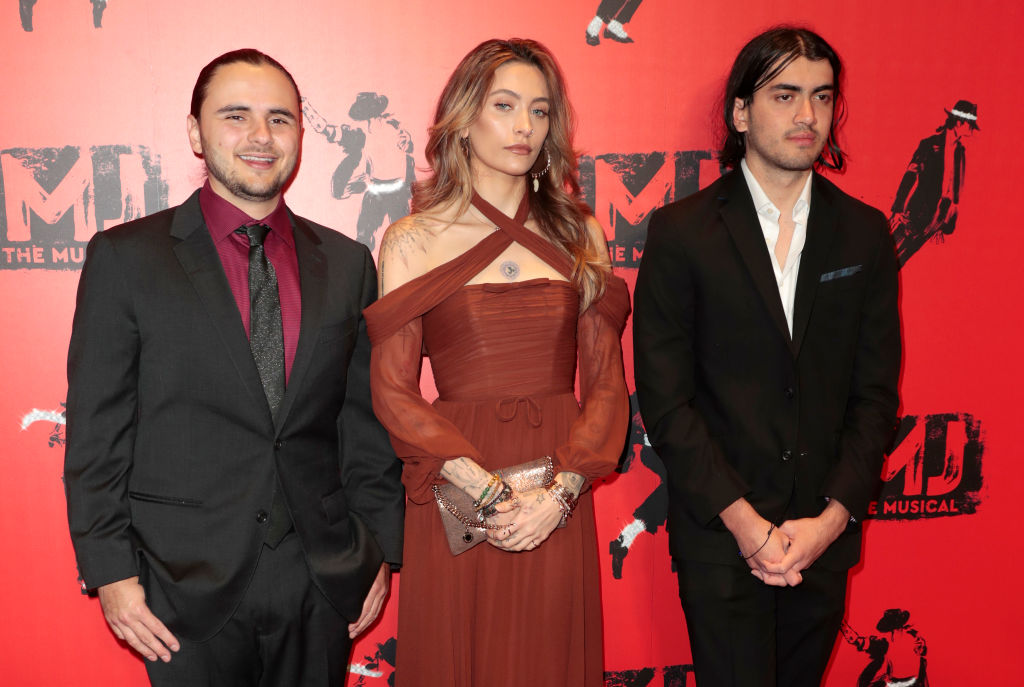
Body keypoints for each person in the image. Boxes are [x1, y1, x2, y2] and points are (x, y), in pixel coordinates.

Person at [64, 49, 404, 686]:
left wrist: (377, 549)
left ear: (301, 134)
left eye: (280, 119)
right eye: (235, 116)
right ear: (195, 131)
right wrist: (111, 571)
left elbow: (366, 427)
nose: (259, 137)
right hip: (178, 585)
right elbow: (95, 437)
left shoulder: (349, 262)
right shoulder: (126, 258)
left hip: (321, 577)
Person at [634, 27, 901, 687]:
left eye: (821, 96)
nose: (807, 115)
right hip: (722, 537)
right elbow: (667, 400)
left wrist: (830, 520)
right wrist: (748, 524)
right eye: (785, 95)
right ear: (740, 111)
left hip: (823, 540)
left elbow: (875, 396)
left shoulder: (864, 232)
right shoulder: (681, 232)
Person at [365, 38, 630, 686]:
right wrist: (487, 488)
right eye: (504, 105)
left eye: (539, 111)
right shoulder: (412, 239)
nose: (523, 127)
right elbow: (394, 394)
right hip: (458, 485)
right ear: (463, 116)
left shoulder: (579, 233)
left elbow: (605, 386)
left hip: (555, 486)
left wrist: (560, 493)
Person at [889, 99, 978, 267]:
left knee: (902, 259)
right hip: (915, 213)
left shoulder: (960, 151)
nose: (972, 130)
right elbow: (910, 174)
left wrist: (949, 219)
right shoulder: (930, 145)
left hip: (936, 220)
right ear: (959, 122)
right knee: (889, 253)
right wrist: (898, 208)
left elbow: (956, 189)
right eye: (970, 125)